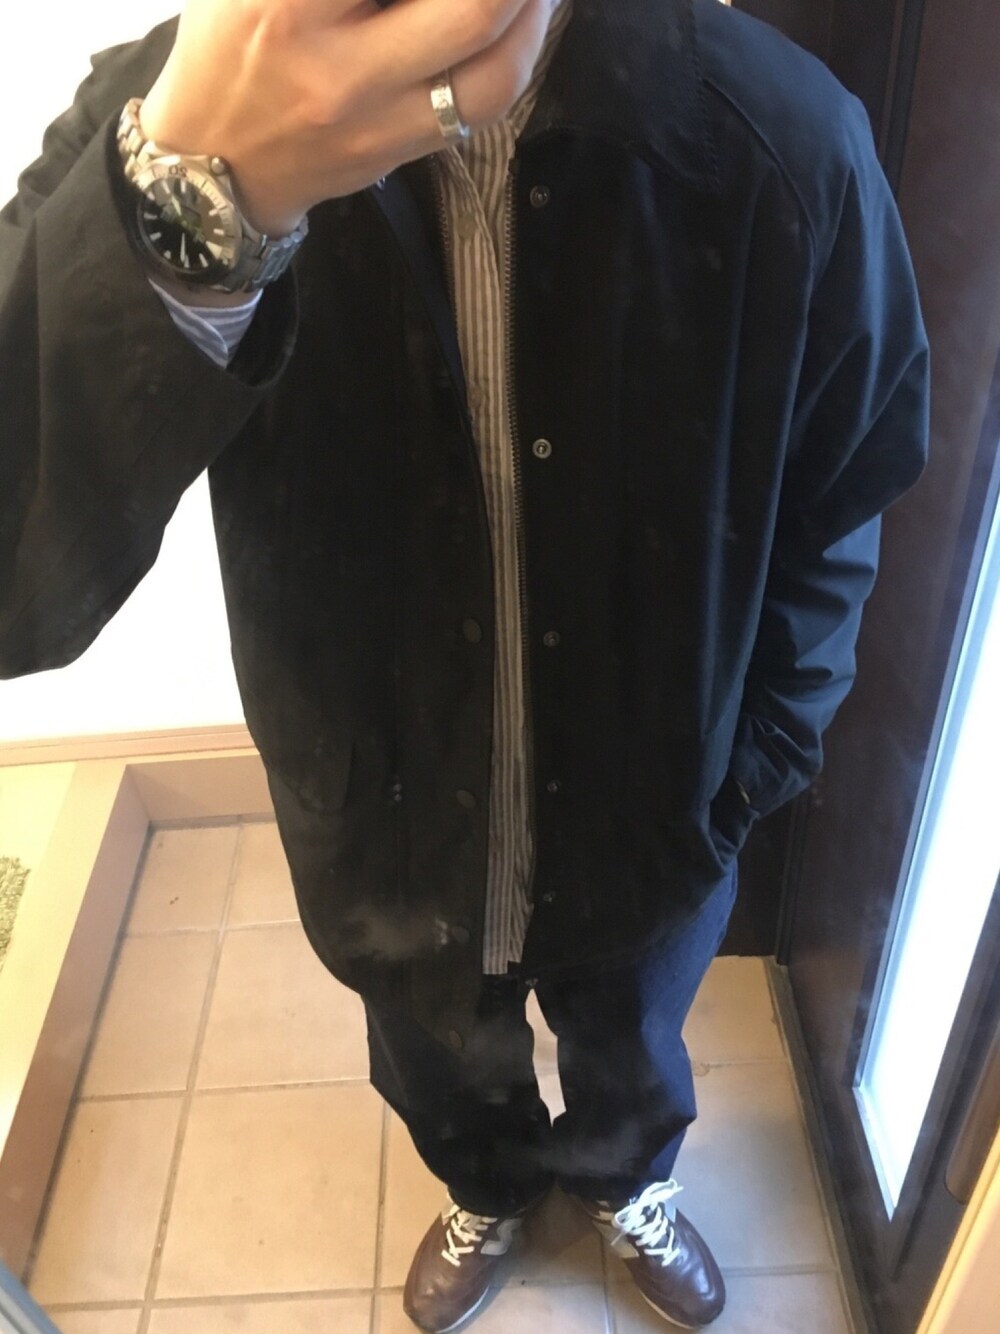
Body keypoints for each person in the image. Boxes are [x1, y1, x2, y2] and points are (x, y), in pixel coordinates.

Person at [0, 0, 929, 1328]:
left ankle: (626, 1181)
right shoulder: (174, 118)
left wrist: (759, 760)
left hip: (656, 802)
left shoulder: (785, 141)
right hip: (379, 809)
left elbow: (844, 494)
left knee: (634, 1037)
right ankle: (483, 1180)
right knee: (432, 1047)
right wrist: (204, 204)